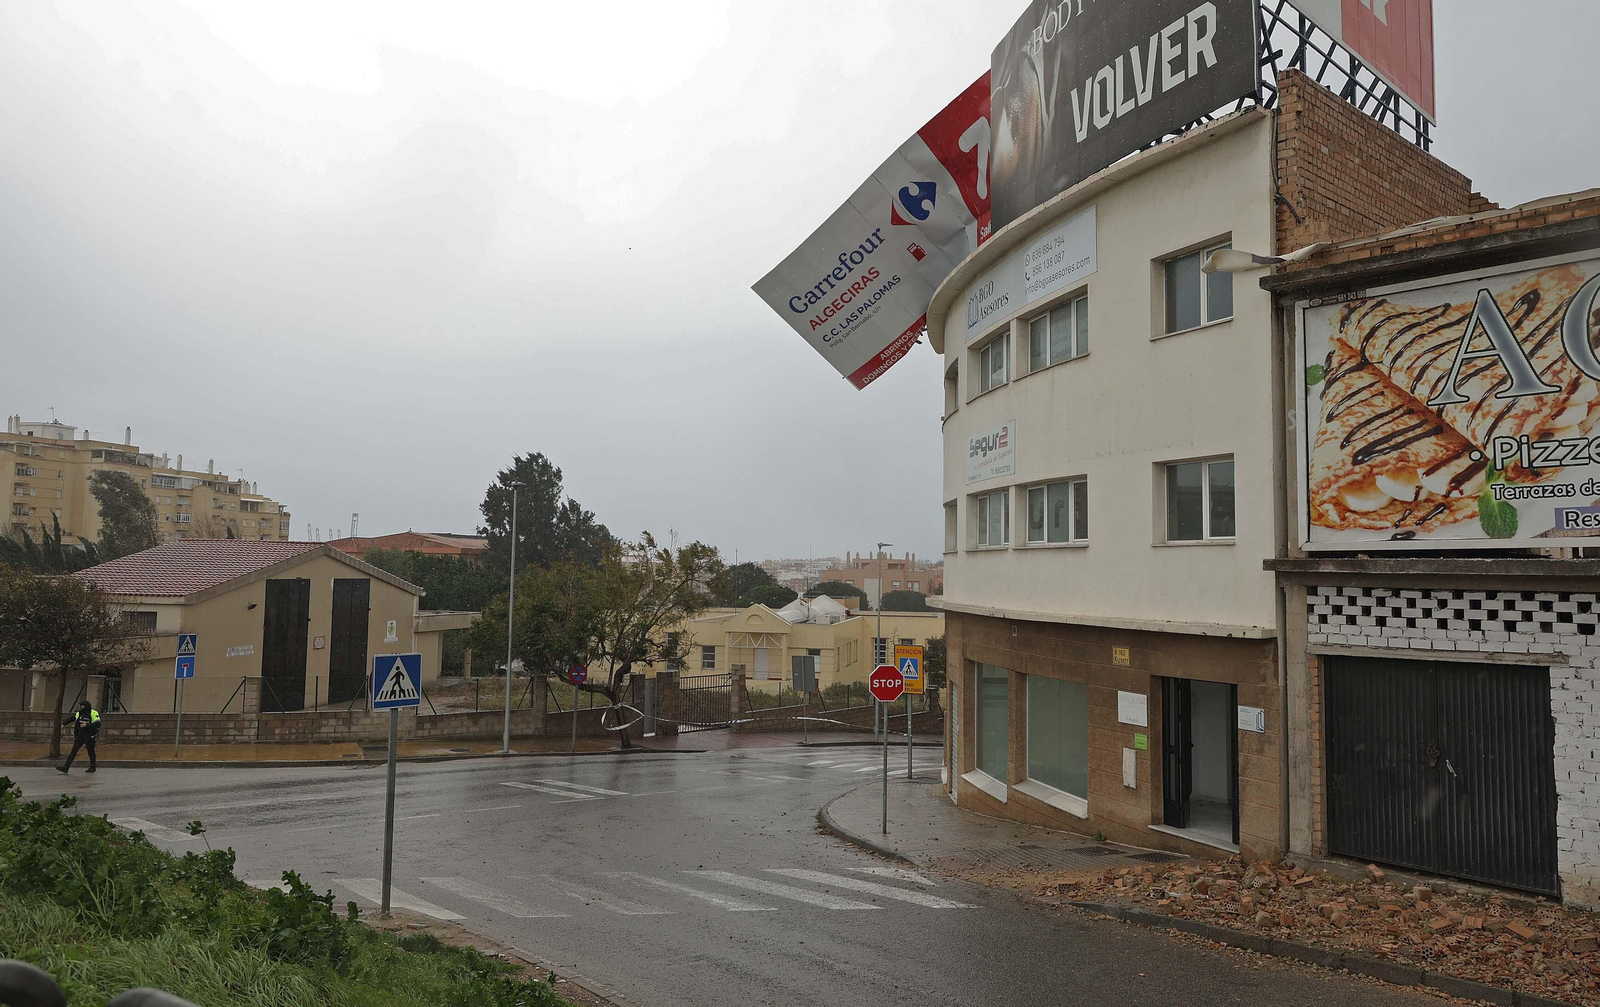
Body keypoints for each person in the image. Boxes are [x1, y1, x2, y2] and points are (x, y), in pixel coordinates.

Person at [57, 700, 100, 774]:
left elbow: (98, 724)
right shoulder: (79, 713)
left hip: (89, 735)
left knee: (91, 751)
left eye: (83, 706)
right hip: (80, 735)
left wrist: (87, 725)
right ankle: (65, 767)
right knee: (73, 751)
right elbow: (71, 718)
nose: (81, 707)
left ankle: (92, 766)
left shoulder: (93, 713)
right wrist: (64, 724)